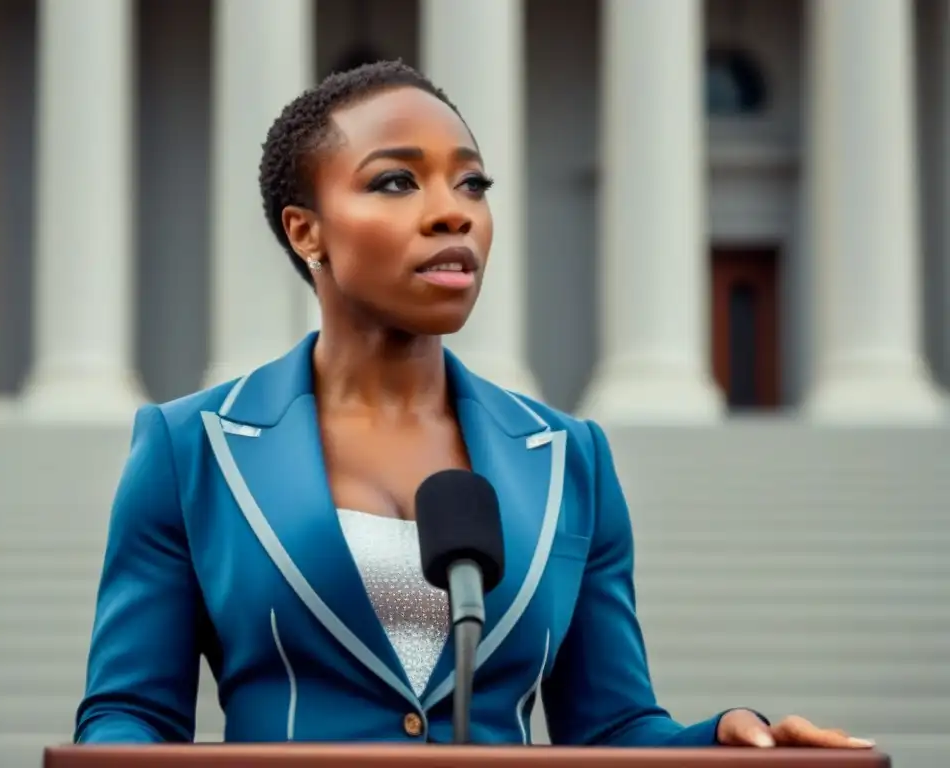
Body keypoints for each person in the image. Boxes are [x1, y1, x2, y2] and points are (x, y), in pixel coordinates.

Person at [75, 60, 874, 749]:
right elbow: (128, 711)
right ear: (306, 232)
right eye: (396, 180)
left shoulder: (569, 460)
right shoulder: (193, 449)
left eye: (472, 182)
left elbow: (611, 726)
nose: (453, 210)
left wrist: (727, 738)